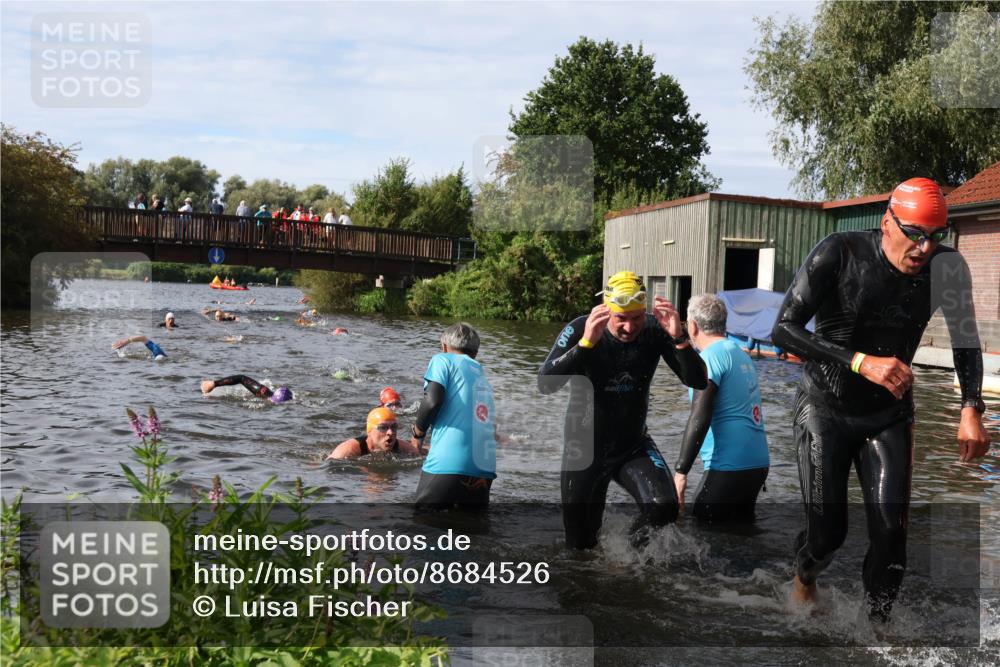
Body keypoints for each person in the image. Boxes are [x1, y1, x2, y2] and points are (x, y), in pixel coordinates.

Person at [771, 177, 989, 622]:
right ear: (887, 222)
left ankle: (877, 632)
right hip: (825, 407)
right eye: (914, 233)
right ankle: (804, 578)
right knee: (827, 536)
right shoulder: (840, 251)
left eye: (936, 236)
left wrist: (971, 408)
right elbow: (784, 328)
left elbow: (966, 340)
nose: (925, 248)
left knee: (892, 534)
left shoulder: (948, 268)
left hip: (888, 413)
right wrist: (859, 361)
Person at [538, 270, 707, 550]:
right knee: (580, 546)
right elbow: (545, 383)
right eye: (621, 319)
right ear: (607, 310)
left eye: (637, 318)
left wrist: (679, 337)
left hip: (632, 445)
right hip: (584, 450)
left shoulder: (655, 330)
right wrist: (585, 345)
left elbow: (698, 380)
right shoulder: (582, 327)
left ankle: (624, 553)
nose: (630, 328)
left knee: (663, 508)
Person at [673, 294, 769, 523]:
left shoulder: (709, 358)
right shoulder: (740, 354)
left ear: (693, 326)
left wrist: (681, 472)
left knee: (705, 532)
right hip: (757, 464)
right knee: (741, 537)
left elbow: (700, 415)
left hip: (729, 465)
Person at [411, 323, 498, 510]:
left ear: (444, 346)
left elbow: (432, 400)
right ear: (475, 352)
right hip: (484, 468)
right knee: (472, 532)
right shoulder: (482, 375)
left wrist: (417, 434)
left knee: (423, 527)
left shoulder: (443, 359)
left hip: (449, 464)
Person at [327, 407, 422, 460]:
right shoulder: (348, 450)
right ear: (370, 431)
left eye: (394, 427)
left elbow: (420, 457)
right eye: (383, 428)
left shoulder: (403, 447)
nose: (390, 432)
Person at [201, 375, 293, 404]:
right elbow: (241, 378)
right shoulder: (265, 393)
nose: (271, 401)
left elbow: (241, 378)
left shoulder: (265, 394)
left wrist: (215, 384)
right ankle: (212, 384)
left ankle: (213, 384)